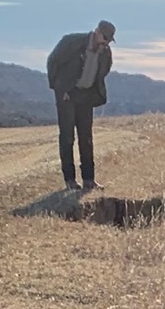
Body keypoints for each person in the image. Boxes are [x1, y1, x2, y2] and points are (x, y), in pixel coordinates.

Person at [45, 20, 115, 192]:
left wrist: (93, 89)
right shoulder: (72, 42)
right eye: (104, 38)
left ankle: (89, 180)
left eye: (109, 40)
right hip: (67, 94)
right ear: (97, 32)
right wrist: (60, 88)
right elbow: (52, 62)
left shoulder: (105, 53)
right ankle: (69, 179)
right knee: (67, 137)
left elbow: (104, 70)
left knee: (87, 138)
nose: (105, 42)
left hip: (86, 96)